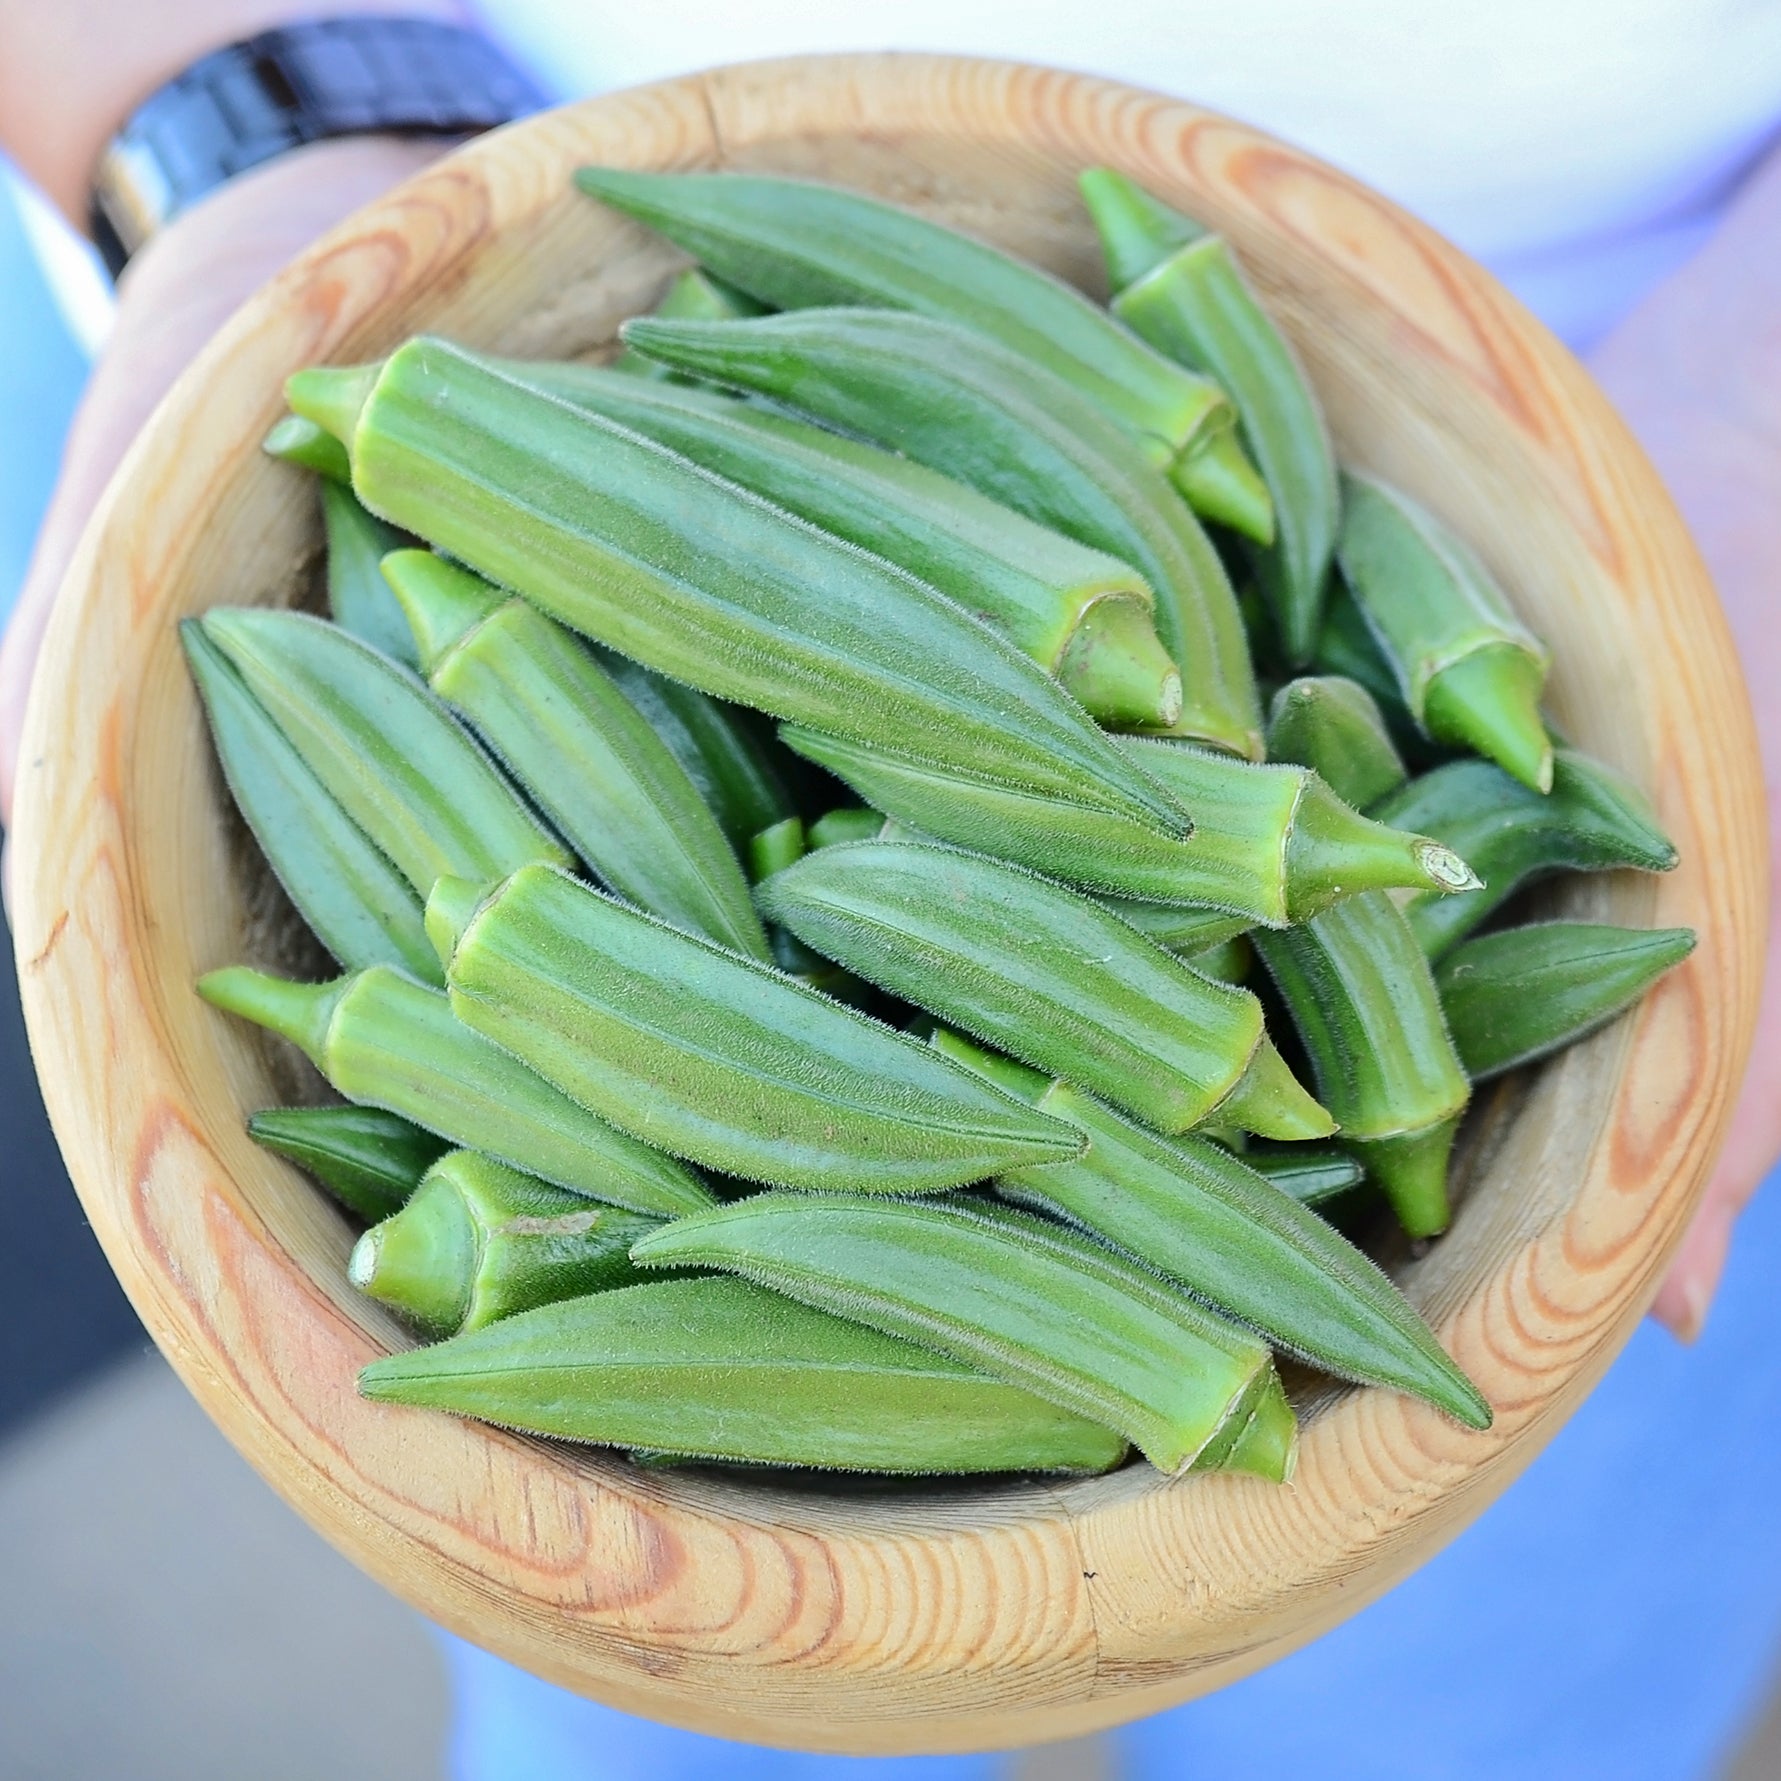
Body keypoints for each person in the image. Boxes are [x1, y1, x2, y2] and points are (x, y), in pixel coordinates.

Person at [3, 3, 1780, 1775]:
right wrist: (236, 122)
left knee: (1489, 1707)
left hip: (1639, 397)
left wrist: (1747, 421)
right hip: (465, 175)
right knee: (643, 1681)